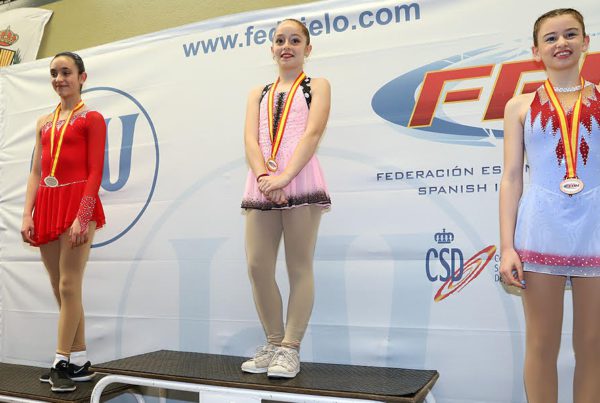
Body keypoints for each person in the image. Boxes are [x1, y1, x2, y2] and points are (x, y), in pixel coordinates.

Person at [499, 8, 600, 403]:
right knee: (541, 345)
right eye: (552, 38)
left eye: (571, 34)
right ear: (535, 51)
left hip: (595, 230)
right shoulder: (518, 107)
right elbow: (511, 177)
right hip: (540, 229)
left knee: (593, 345)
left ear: (586, 43)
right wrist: (507, 246)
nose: (562, 43)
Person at [240, 18, 331, 378]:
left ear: (307, 49)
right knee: (257, 265)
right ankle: (274, 342)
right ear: (272, 49)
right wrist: (265, 177)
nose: (286, 45)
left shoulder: (318, 85)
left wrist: (285, 176)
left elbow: (312, 133)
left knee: (298, 265)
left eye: (295, 40)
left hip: (300, 177)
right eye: (280, 40)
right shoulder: (257, 93)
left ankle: (290, 348)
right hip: (262, 181)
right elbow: (250, 139)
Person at [21, 52, 106, 393]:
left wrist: (82, 216)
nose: (60, 79)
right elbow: (36, 172)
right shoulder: (44, 121)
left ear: (82, 77)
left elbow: (95, 171)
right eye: (54, 73)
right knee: (60, 288)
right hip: (47, 204)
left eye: (66, 72)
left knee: (70, 286)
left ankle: (60, 361)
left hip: (76, 205)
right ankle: (79, 360)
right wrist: (28, 212)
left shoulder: (93, 118)